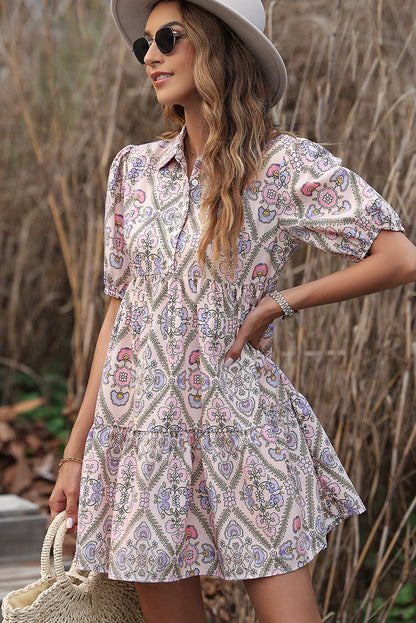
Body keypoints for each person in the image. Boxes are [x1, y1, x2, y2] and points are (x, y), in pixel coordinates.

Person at [49, 1, 416, 621]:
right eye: (144, 46)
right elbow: (120, 318)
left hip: (243, 428)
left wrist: (282, 302)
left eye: (169, 38)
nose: (153, 56)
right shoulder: (133, 171)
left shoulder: (283, 164)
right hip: (142, 435)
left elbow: (398, 255)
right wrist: (77, 453)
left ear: (219, 46)